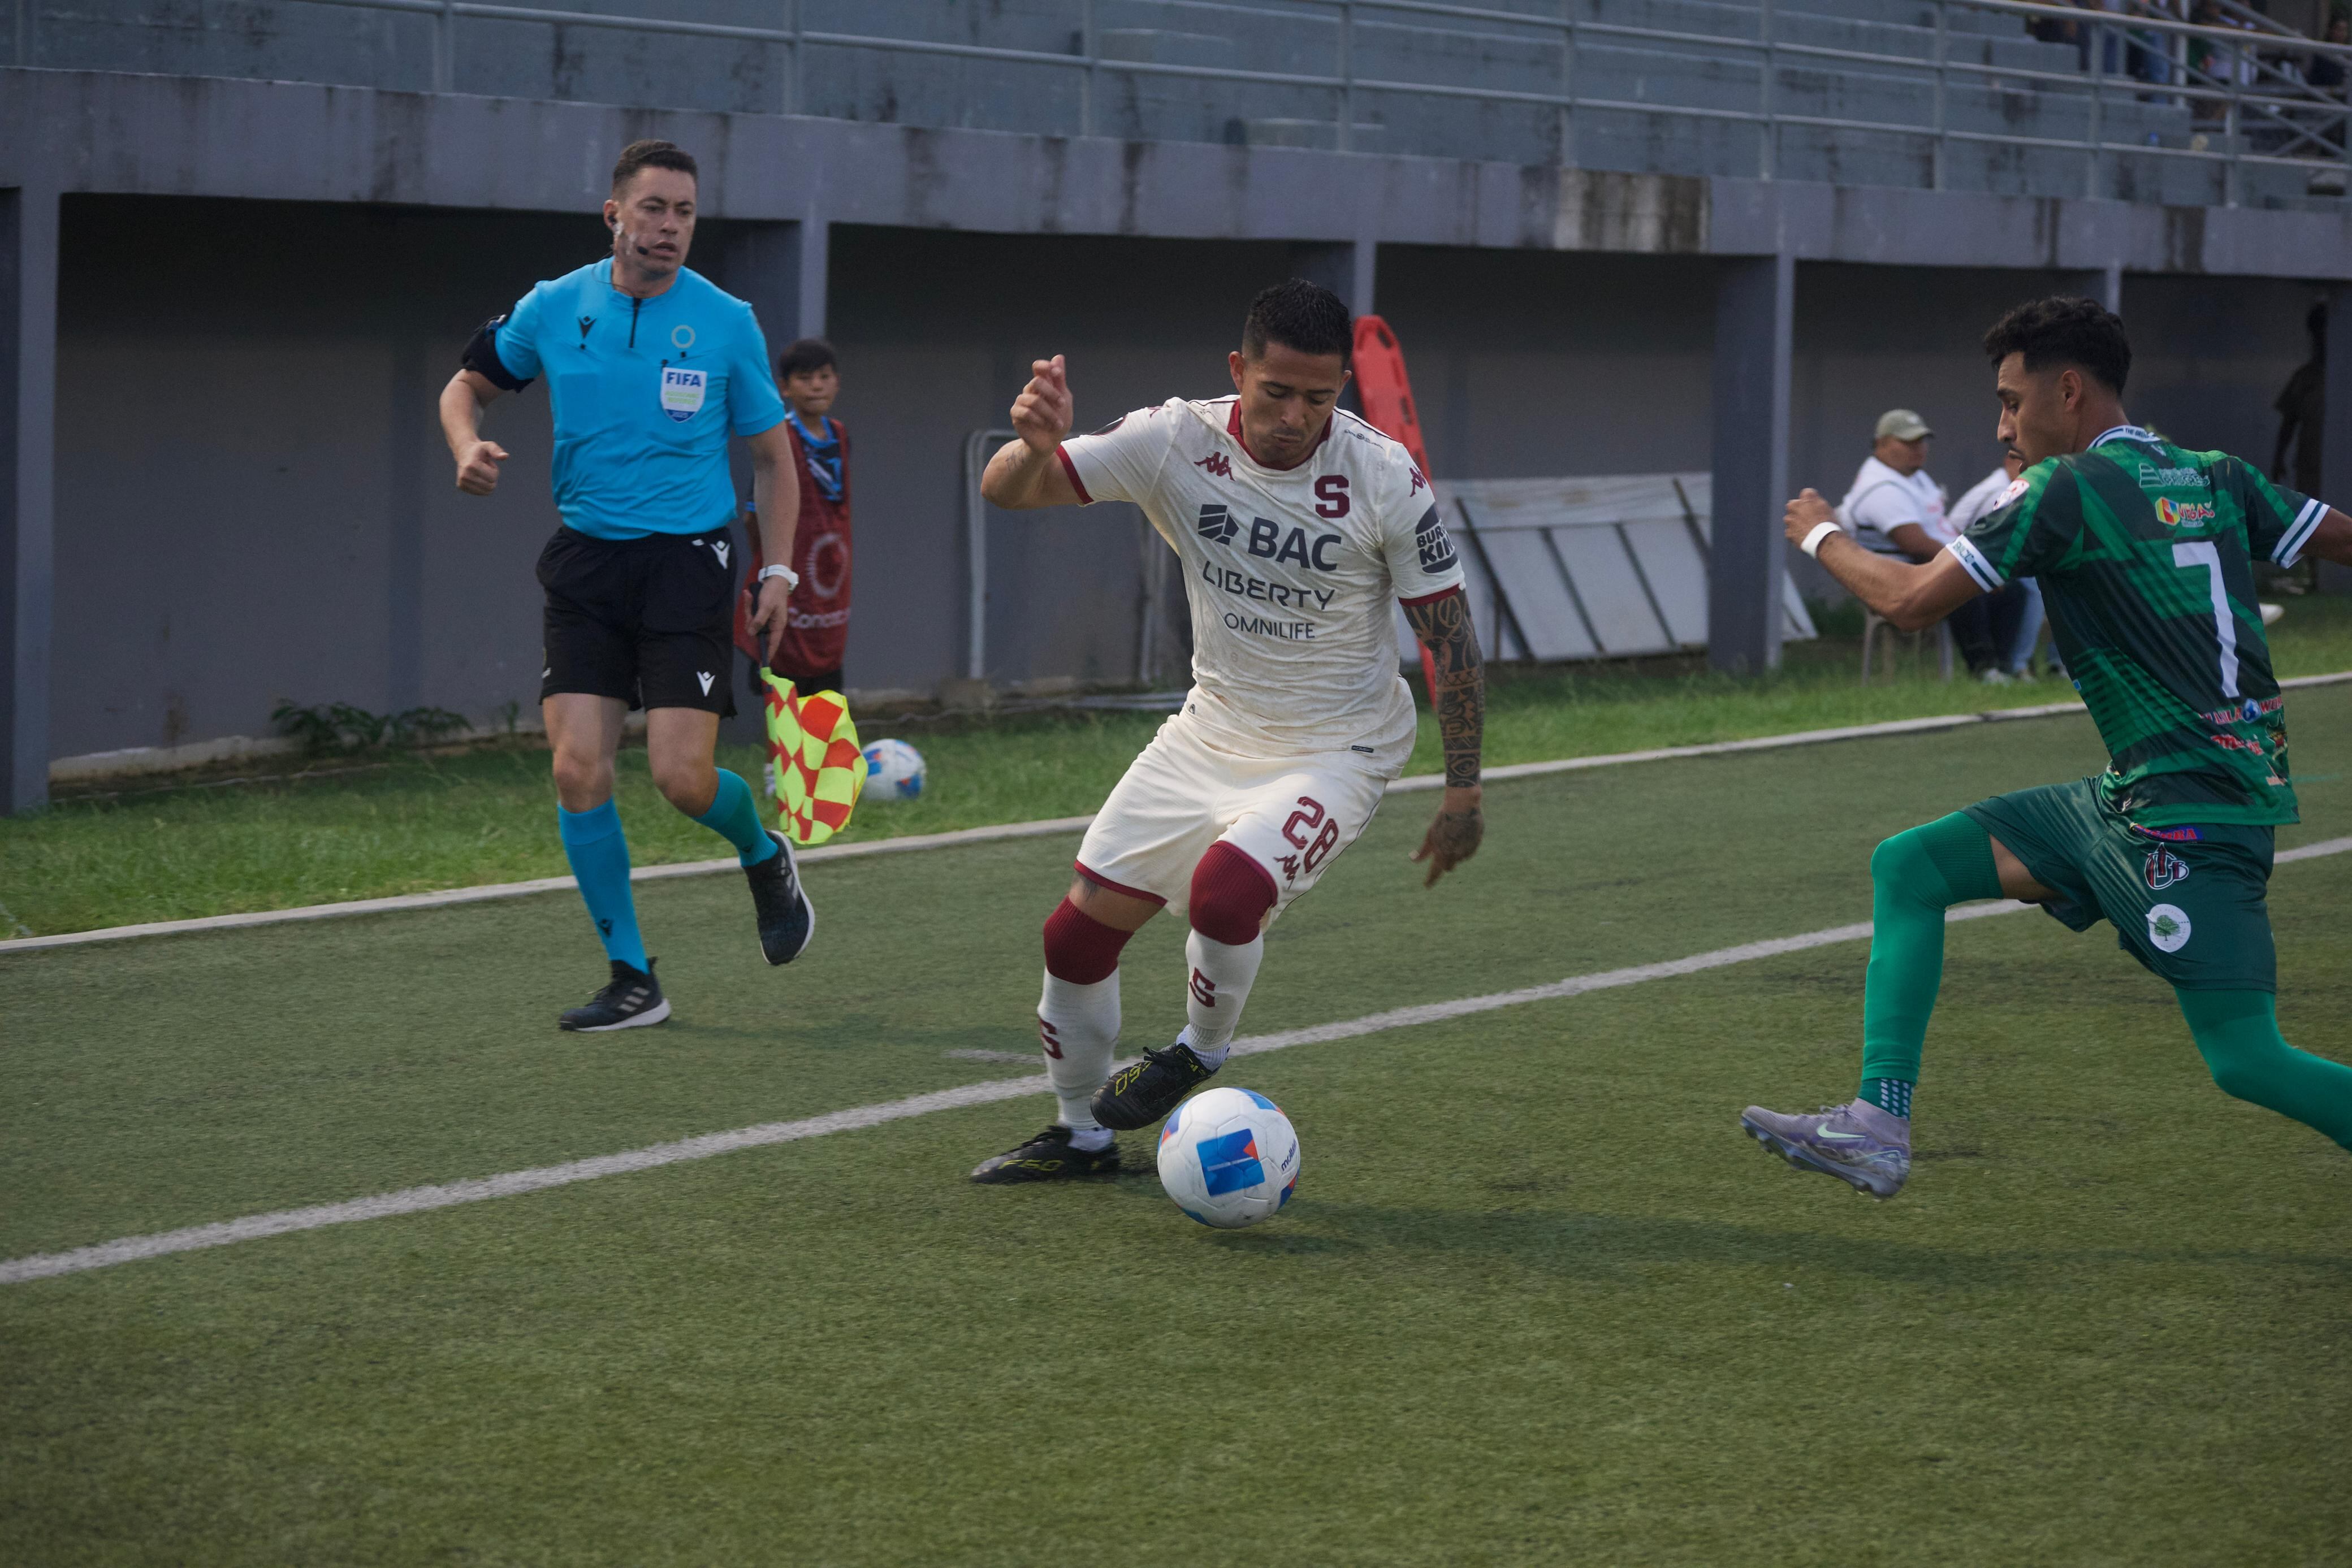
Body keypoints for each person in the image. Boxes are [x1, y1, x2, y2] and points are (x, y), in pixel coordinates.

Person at [1745, 295, 2352, 1201]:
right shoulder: (2214, 475)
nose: (2003, 425)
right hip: (2139, 798)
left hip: (2188, 820)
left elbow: (1910, 602)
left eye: (2010, 400)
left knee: (2245, 1057)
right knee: (1911, 866)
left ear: (2067, 391)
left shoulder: (2061, 491)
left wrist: (1821, 532)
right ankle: (1876, 1122)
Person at [965, 279, 1486, 1183]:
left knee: (1224, 892)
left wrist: (1463, 790)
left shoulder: (1384, 476)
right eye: (1275, 391)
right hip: (1210, 732)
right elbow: (1009, 492)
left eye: (1318, 399)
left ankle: (1200, 1052)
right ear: (1238, 370)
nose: (1293, 416)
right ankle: (1080, 1135)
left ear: (1342, 394)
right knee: (1073, 938)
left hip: (1339, 748)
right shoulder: (1175, 439)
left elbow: (1450, 637)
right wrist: (1033, 445)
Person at [439, 138, 817, 1033]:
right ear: (615, 215)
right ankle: (632, 977)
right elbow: (466, 387)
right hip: (586, 560)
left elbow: (773, 458)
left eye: (685, 212)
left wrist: (777, 570)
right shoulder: (554, 307)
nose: (670, 227)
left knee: (683, 780)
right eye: (653, 209)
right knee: (577, 769)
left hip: (689, 560)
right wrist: (466, 448)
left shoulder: (726, 320)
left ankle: (764, 855)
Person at [1838, 409, 2023, 681]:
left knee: (2012, 586)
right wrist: (1967, 562)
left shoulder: (1913, 477)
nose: (1919, 449)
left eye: (1921, 442)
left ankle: (2005, 666)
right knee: (1963, 581)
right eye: (1908, 442)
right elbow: (1914, 543)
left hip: (1921, 566)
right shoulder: (1880, 486)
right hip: (1896, 574)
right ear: (1881, 444)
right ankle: (1984, 668)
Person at [736, 337, 853, 700]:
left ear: (837, 381)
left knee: (826, 683)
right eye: (804, 378)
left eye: (824, 376)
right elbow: (753, 515)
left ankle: (820, 756)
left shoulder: (840, 434)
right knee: (783, 678)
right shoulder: (780, 436)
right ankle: (779, 758)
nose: (816, 385)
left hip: (831, 579)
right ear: (784, 388)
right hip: (789, 572)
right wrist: (775, 563)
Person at [1945, 448, 2048, 677]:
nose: (2030, 469)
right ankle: (2017, 665)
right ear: (2008, 462)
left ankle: (2032, 664)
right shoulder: (2000, 490)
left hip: (1983, 553)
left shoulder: (2022, 487)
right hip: (1959, 558)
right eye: (2024, 463)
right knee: (2032, 586)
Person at [2272, 302, 2325, 503]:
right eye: (2319, 332)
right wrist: (2278, 459)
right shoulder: (2304, 378)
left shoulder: (2343, 378)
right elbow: (2288, 423)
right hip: (2310, 466)